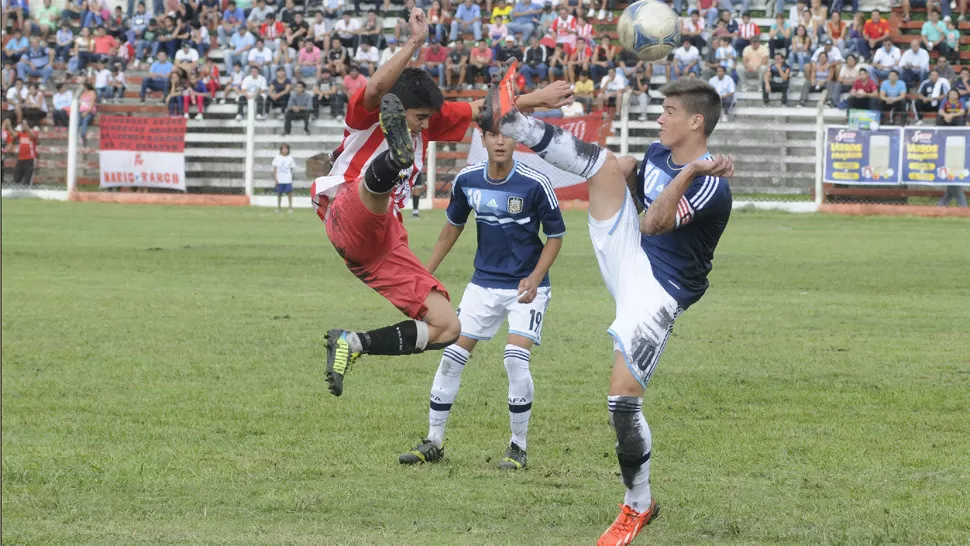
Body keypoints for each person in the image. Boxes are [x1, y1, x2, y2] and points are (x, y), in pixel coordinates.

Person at [479, 64, 733, 546]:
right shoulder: (660, 151)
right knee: (604, 164)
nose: (660, 119)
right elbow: (638, 178)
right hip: (632, 253)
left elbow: (656, 221)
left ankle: (638, 505)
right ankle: (511, 121)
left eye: (669, 112)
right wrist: (622, 168)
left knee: (621, 401)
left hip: (661, 288)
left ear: (696, 123)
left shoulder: (709, 183)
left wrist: (694, 170)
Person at [309, 9, 572, 398]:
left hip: (384, 246)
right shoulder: (366, 114)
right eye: (415, 119)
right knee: (370, 193)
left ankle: (353, 342)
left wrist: (539, 99)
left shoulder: (430, 118)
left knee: (448, 327)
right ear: (397, 108)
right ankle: (390, 161)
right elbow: (379, 87)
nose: (421, 126)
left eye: (422, 120)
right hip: (346, 208)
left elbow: (489, 113)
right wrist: (415, 42)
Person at [399, 125, 566, 470]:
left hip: (525, 289)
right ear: (483, 140)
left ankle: (518, 447)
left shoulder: (536, 183)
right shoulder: (468, 180)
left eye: (506, 135)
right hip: (483, 286)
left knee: (515, 359)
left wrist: (535, 277)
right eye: (492, 135)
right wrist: (424, 275)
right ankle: (433, 442)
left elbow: (555, 236)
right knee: (450, 357)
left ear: (516, 139)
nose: (500, 141)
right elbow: (452, 228)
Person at [272, 143, 296, 212]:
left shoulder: (290, 158)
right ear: (281, 150)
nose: (284, 150)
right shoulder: (277, 158)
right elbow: (275, 169)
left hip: (287, 179)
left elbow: (291, 168)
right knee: (279, 193)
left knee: (289, 193)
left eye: (286, 148)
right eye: (283, 149)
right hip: (280, 179)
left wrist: (289, 176)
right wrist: (276, 178)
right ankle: (278, 208)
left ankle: (290, 207)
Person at [77, 82, 97, 147]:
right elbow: (80, 104)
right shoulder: (82, 94)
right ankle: (77, 135)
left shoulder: (92, 93)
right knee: (77, 121)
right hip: (81, 111)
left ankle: (82, 136)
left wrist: (87, 112)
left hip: (90, 112)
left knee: (85, 120)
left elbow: (91, 105)